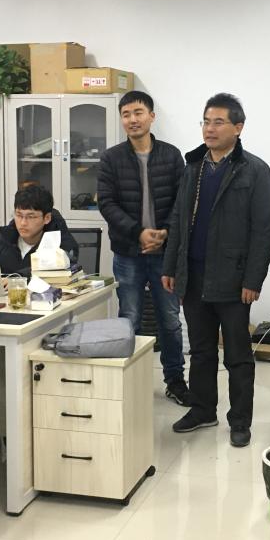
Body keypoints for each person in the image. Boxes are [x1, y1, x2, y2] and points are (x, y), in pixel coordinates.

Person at [161, 93, 270, 448]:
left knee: (238, 355)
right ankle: (202, 409)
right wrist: (171, 266)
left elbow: (264, 229)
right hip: (193, 275)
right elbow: (178, 220)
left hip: (233, 279)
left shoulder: (255, 170)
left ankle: (240, 420)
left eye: (218, 122)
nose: (209, 129)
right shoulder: (194, 168)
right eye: (206, 122)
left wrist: (253, 279)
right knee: (200, 350)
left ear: (238, 127)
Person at [97, 91, 188, 406]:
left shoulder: (171, 156)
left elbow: (182, 201)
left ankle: (175, 381)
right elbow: (107, 204)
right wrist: (138, 233)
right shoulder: (111, 159)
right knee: (130, 318)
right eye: (126, 114)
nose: (132, 120)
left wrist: (165, 233)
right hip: (128, 252)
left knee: (170, 320)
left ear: (151, 116)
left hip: (165, 252)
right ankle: (130, 382)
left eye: (138, 112)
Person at [0, 186, 78, 276]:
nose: (23, 223)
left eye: (31, 217)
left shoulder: (62, 242)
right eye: (19, 215)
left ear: (47, 218)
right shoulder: (6, 237)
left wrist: (17, 278)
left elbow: (55, 266)